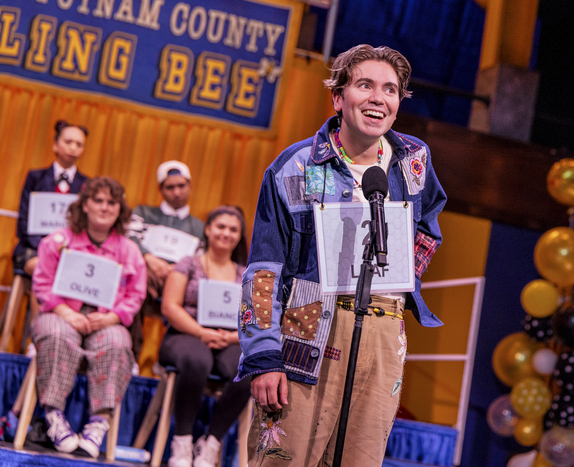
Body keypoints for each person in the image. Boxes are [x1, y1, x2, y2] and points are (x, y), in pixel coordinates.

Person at [237, 44, 447, 466]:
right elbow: (264, 268)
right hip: (308, 332)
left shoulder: (414, 160)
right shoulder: (294, 167)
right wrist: (262, 353)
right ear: (338, 97)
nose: (378, 98)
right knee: (284, 458)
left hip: (384, 334)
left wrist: (400, 275)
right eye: (365, 85)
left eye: (390, 90)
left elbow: (428, 227)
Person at [31, 176, 147, 457]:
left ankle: (98, 422)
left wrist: (111, 318)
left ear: (120, 210)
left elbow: (136, 296)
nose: (105, 207)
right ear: (84, 205)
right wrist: (66, 313)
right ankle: (53, 417)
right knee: (56, 335)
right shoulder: (58, 240)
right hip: (61, 313)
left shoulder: (129, 250)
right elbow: (42, 285)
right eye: (98, 200)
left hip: (106, 320)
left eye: (112, 202)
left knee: (118, 344)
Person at [159, 205, 252, 467]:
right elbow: (170, 306)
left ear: (239, 236)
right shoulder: (188, 264)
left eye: (233, 229)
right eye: (221, 227)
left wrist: (231, 338)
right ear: (208, 230)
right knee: (198, 361)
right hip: (186, 334)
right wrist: (201, 332)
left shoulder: (246, 275)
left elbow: (252, 319)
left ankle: (211, 443)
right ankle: (182, 442)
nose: (226, 233)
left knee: (247, 367)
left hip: (229, 339)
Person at [127, 161, 205, 374]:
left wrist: (174, 272)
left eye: (181, 185)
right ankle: (131, 355)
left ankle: (168, 358)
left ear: (190, 186)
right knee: (138, 282)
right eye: (170, 187)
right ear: (160, 189)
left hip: (179, 283)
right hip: (145, 275)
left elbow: (200, 261)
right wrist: (150, 259)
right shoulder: (143, 212)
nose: (177, 192)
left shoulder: (199, 227)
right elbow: (129, 238)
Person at [14, 120, 89, 276]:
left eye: (79, 144)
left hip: (70, 251)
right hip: (32, 247)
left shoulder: (88, 185)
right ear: (55, 144)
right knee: (45, 268)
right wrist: (47, 247)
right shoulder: (35, 177)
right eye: (68, 142)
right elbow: (24, 220)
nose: (73, 147)